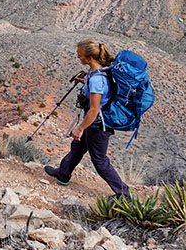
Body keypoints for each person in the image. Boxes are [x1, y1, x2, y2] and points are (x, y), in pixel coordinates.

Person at [44, 39, 130, 197]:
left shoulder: (97, 79)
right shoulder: (98, 71)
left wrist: (80, 128)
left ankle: (124, 194)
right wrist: (84, 82)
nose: (78, 57)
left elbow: (94, 110)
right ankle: (63, 174)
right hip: (92, 123)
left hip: (97, 126)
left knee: (99, 160)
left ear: (90, 58)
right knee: (77, 148)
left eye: (80, 55)